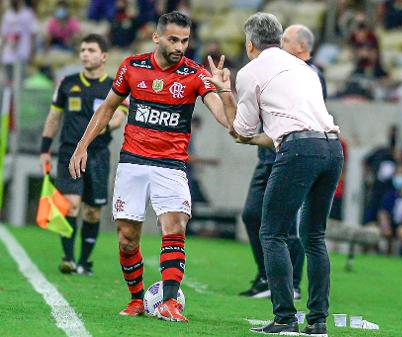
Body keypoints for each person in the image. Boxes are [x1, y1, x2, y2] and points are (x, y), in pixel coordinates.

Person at [68, 11, 229, 321]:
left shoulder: (195, 75)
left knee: (175, 227)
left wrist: (223, 90)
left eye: (184, 40)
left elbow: (223, 118)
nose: (180, 46)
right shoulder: (132, 66)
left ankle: (169, 301)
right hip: (133, 161)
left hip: (171, 164)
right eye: (173, 39)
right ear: (157, 37)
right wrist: (82, 145)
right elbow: (107, 109)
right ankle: (137, 299)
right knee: (127, 239)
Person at [206, 12, 342, 336]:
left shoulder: (251, 71)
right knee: (314, 237)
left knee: (272, 234)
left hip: (298, 151)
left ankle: (284, 318)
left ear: (250, 44)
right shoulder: (305, 69)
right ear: (279, 40)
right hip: (332, 148)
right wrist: (253, 136)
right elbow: (286, 128)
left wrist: (225, 91)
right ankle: (318, 322)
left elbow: (241, 130)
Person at [239, 24, 327, 301]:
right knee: (253, 214)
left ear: (302, 47)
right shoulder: (280, 69)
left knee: (289, 227)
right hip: (273, 153)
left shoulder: (307, 73)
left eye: (285, 40)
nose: (279, 44)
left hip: (293, 151)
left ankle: (292, 286)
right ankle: (269, 276)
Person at [39, 34, 128, 276]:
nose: (85, 54)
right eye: (82, 50)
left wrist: (105, 125)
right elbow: (53, 117)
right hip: (69, 151)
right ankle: (68, 258)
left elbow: (119, 117)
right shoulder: (67, 83)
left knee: (92, 211)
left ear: (104, 56)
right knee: (71, 206)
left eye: (90, 50)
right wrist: (45, 149)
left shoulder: (114, 86)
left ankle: (85, 263)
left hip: (98, 154)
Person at [0, 0, 38, 83]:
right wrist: (1, 53)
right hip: (8, 55)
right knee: (8, 82)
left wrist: (32, 53)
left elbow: (33, 35)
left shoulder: (28, 14)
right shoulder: (7, 15)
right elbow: (4, 36)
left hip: (23, 54)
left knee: (20, 82)